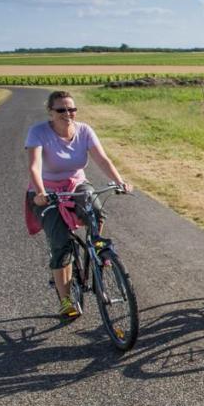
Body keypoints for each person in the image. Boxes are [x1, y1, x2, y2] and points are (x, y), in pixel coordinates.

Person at [25, 90, 132, 318]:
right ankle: (65, 300)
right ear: (50, 112)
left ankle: (96, 252)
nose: (68, 114)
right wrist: (41, 192)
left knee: (96, 211)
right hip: (47, 190)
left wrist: (120, 182)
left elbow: (102, 159)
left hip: (75, 184)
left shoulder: (84, 130)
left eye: (72, 109)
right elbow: (34, 166)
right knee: (61, 243)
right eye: (61, 110)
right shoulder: (39, 132)